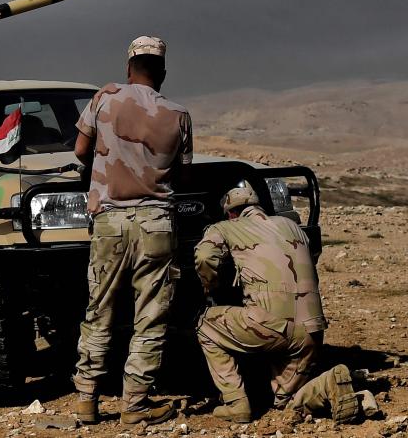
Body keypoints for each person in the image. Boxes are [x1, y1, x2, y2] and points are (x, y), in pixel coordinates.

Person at [72, 35, 193, 425]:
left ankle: (86, 400)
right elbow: (182, 170)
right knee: (151, 315)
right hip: (156, 224)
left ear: (128, 67)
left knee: (99, 310)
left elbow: (79, 150)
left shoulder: (104, 98)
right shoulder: (178, 114)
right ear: (163, 73)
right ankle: (136, 405)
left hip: (109, 221)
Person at [194, 185, 360, 423]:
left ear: (231, 213)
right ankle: (328, 383)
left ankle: (236, 403)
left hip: (270, 330)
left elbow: (204, 257)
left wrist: (211, 285)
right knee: (286, 401)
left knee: (204, 325)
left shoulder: (226, 227)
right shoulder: (292, 226)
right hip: (311, 334)